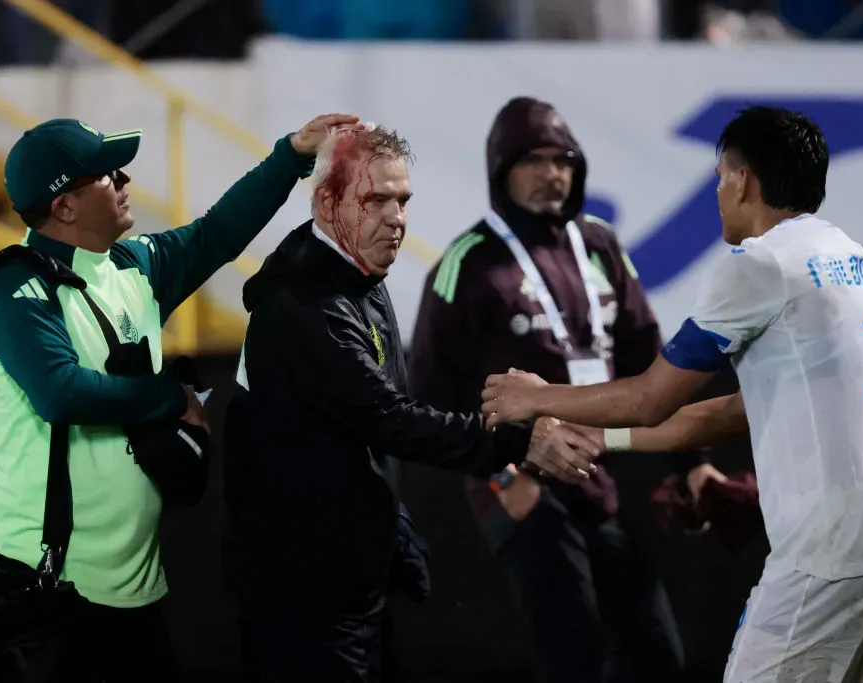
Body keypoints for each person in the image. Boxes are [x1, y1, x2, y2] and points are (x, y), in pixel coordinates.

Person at [481, 106, 863, 681]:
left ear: (743, 180)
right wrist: (604, 437)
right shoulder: (854, 260)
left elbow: (650, 397)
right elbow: (732, 411)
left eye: (720, 176)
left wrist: (536, 398)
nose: (717, 192)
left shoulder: (762, 264)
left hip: (830, 551)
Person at [0, 113, 355, 681]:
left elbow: (217, 234)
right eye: (108, 175)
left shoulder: (132, 266)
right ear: (64, 206)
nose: (125, 179)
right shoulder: (16, 287)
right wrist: (168, 398)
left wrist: (291, 156)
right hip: (42, 589)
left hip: (130, 584)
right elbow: (59, 391)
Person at [221, 123, 599, 683]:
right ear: (327, 202)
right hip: (303, 595)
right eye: (377, 200)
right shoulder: (303, 304)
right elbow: (388, 417)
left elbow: (357, 426)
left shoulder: (355, 274)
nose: (397, 218)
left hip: (345, 576)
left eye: (402, 200)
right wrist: (522, 439)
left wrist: (386, 521)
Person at [408, 95, 684, 683]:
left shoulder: (603, 245)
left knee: (658, 654)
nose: (550, 173)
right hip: (521, 483)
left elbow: (649, 358)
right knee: (573, 655)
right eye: (532, 160)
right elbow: (429, 393)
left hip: (600, 477)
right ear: (500, 169)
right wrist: (502, 473)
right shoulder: (468, 261)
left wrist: (693, 465)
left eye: (562, 160)